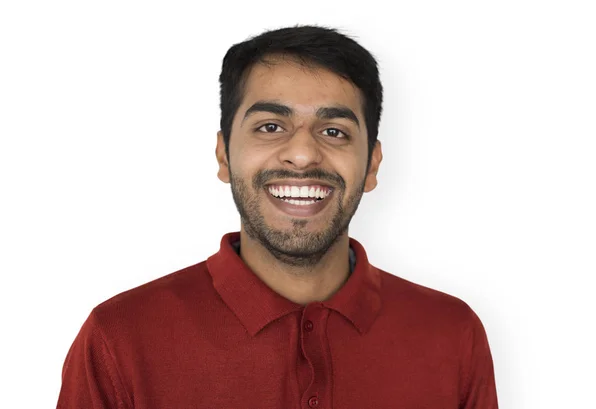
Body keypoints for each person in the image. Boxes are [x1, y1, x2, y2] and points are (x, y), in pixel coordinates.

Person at [56, 25, 498, 409]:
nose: (303, 155)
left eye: (334, 131)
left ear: (372, 165)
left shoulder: (452, 334)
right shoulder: (120, 339)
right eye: (270, 126)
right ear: (224, 155)